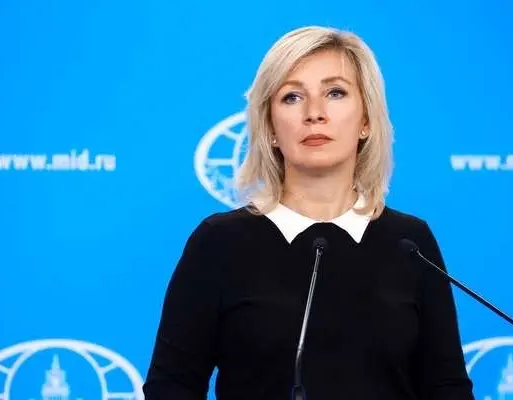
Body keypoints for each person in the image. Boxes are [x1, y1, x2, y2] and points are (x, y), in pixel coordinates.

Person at [143, 25, 474, 400]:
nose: (314, 113)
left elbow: (446, 387)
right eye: (292, 97)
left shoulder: (410, 243)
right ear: (270, 127)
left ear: (366, 120)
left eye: (335, 93)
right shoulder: (220, 243)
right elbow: (171, 387)